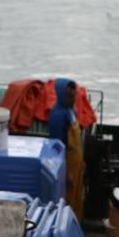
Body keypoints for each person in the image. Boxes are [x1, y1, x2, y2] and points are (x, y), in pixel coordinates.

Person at [47, 77, 85, 220]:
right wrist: (66, 171)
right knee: (66, 200)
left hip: (76, 164)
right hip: (67, 165)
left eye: (74, 95)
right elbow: (57, 145)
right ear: (61, 94)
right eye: (69, 96)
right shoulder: (57, 115)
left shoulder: (71, 111)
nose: (73, 98)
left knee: (77, 199)